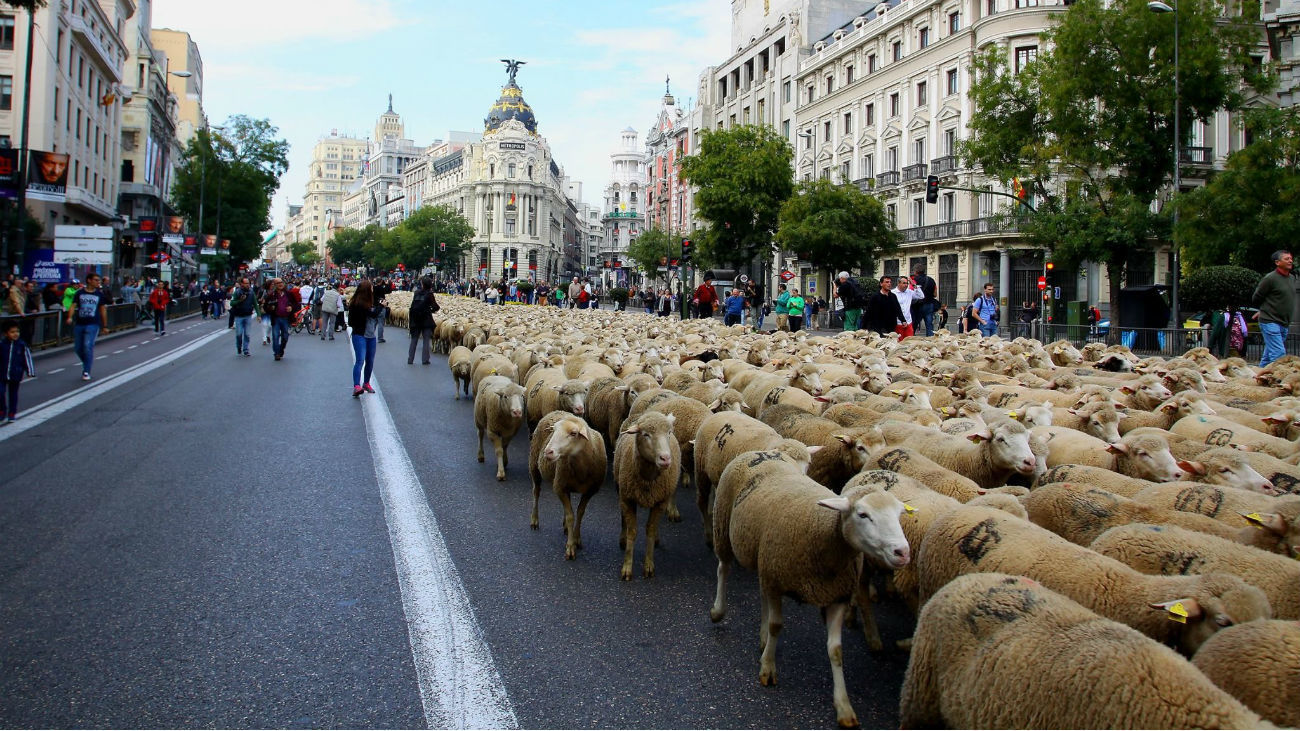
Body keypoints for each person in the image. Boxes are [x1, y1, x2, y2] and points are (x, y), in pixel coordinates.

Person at [1252, 249, 1295, 368]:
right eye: (1287, 259)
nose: (1290, 261)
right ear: (1277, 262)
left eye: (1291, 258)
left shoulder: (1291, 278)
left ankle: (1258, 377)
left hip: (1284, 323)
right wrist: (1263, 310)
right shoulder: (1270, 279)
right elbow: (1256, 297)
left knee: (1268, 355)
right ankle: (1280, 381)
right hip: (1270, 321)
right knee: (1279, 354)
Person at [67, 272, 108, 381]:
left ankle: (86, 371)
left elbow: (103, 310)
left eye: (98, 280)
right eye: (96, 280)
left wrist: (104, 326)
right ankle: (87, 362)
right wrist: (69, 317)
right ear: (89, 280)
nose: (98, 282)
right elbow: (73, 305)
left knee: (87, 345)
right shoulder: (79, 293)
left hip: (93, 323)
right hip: (80, 323)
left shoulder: (99, 295)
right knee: (78, 348)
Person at [349, 278, 382, 397]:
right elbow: (372, 314)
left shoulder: (369, 303)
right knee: (360, 360)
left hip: (370, 335)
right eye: (371, 288)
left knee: (369, 361)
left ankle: (366, 383)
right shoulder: (358, 305)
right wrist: (381, 307)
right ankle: (357, 385)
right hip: (360, 335)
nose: (373, 290)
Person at [0, 320, 34, 423]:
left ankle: (12, 413)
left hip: (16, 374)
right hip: (1, 373)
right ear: (6, 333)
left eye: (17, 331)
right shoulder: (2, 345)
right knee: (0, 393)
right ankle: (2, 411)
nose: (16, 334)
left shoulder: (22, 345)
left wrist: (30, 371)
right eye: (12, 332)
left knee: (13, 394)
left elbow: (27, 358)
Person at [261, 278, 301, 361]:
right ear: (274, 285)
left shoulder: (289, 294)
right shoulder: (271, 295)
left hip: (286, 318)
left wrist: (291, 307)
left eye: (281, 282)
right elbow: (265, 307)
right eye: (277, 283)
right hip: (276, 318)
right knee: (275, 336)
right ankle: (276, 353)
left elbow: (296, 304)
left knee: (285, 336)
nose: (280, 284)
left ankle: (281, 349)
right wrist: (270, 308)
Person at [408, 276, 440, 365]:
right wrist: (431, 310)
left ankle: (410, 359)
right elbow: (436, 306)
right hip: (426, 319)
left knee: (414, 339)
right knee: (426, 340)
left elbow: (413, 304)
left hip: (415, 319)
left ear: (422, 284)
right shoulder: (429, 294)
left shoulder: (416, 292)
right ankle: (425, 359)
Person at [229, 277, 256, 357]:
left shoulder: (251, 292)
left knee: (247, 334)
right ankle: (239, 346)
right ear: (241, 284)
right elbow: (232, 303)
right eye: (246, 283)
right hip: (239, 316)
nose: (248, 285)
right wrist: (240, 300)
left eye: (248, 283)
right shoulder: (237, 292)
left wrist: (258, 314)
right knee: (239, 334)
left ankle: (246, 349)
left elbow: (255, 302)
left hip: (248, 315)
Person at [910, 264, 938, 336]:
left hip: (916, 306)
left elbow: (909, 293)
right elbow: (935, 294)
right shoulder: (931, 280)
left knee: (914, 324)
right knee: (929, 325)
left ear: (915, 271)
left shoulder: (913, 281)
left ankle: (910, 339)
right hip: (929, 304)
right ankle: (930, 340)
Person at [893, 276, 924, 340]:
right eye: (904, 283)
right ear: (898, 283)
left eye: (907, 283)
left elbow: (921, 296)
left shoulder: (909, 292)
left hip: (908, 322)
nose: (906, 285)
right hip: (897, 322)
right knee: (899, 342)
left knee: (910, 342)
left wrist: (914, 285)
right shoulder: (892, 293)